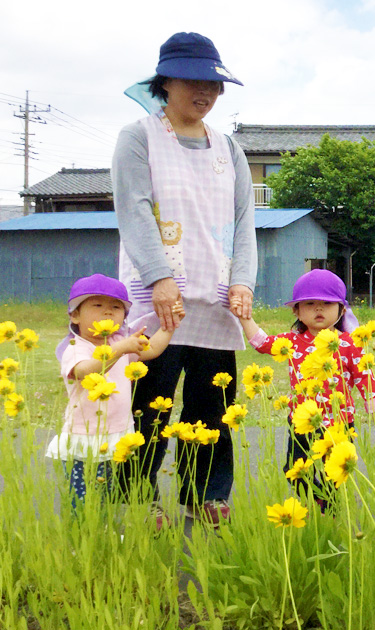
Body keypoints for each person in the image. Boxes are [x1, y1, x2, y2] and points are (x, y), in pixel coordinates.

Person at [112, 32, 257, 527]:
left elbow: (244, 222)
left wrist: (243, 282)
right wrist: (159, 278)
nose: (206, 93)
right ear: (165, 82)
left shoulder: (229, 148)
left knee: (211, 407)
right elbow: (133, 211)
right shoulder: (139, 137)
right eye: (194, 81)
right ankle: (138, 497)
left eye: (214, 84)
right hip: (158, 300)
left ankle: (207, 495)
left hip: (216, 302)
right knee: (147, 405)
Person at [236, 269, 375, 508]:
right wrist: (244, 318)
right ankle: (311, 501)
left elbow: (364, 375)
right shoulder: (290, 342)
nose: (318, 309)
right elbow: (261, 343)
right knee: (295, 468)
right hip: (302, 422)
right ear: (297, 311)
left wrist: (374, 406)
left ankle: (329, 511)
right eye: (310, 303)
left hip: (339, 422)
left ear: (341, 310)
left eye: (326, 303)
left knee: (333, 471)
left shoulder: (348, 343)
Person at [46, 275, 181, 508]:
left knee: (107, 492)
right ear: (75, 315)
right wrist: (119, 348)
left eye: (116, 308)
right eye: (97, 306)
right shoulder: (76, 347)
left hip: (116, 433)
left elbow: (153, 350)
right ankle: (83, 537)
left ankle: (103, 533)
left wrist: (169, 326)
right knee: (83, 497)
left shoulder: (121, 342)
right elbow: (85, 371)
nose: (107, 313)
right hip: (85, 437)